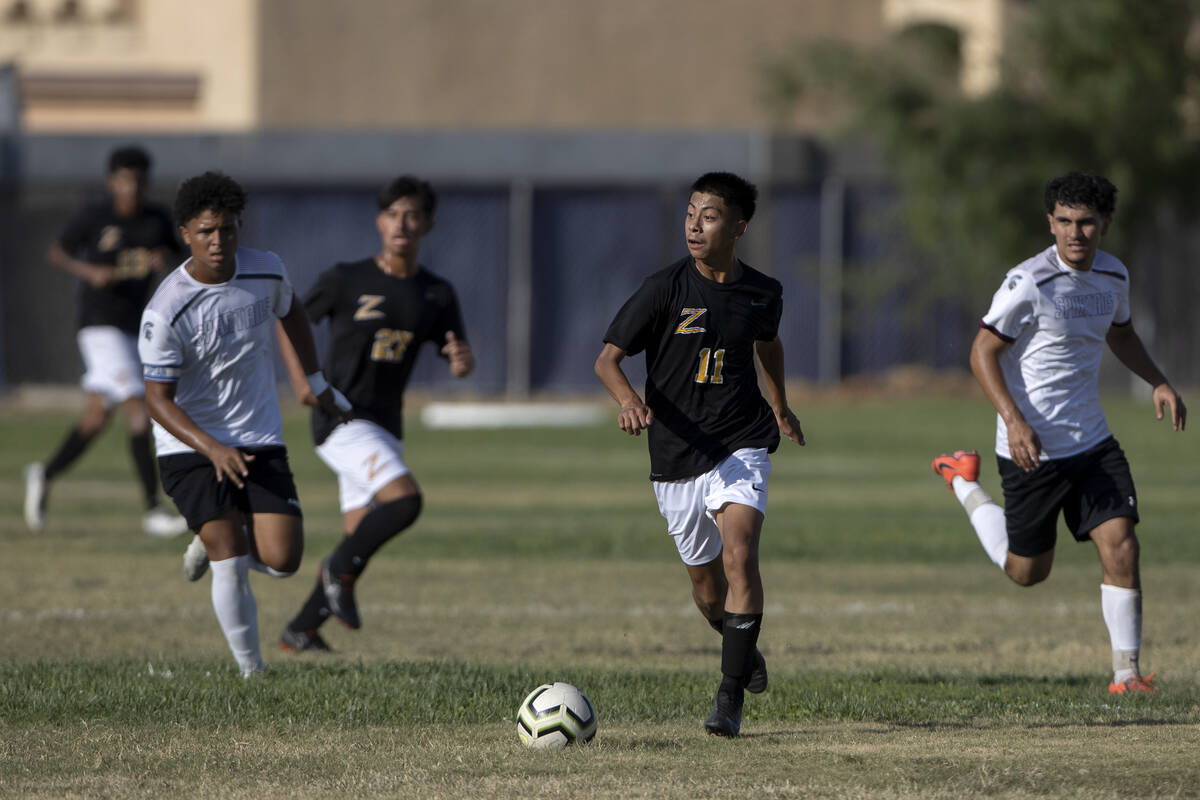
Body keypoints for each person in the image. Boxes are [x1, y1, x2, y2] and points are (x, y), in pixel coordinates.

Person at [933, 172, 1186, 695]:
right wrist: (1014, 420)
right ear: (1050, 222)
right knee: (1027, 573)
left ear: (1105, 224)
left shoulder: (1114, 276)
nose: (1076, 233)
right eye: (1065, 222)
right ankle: (963, 482)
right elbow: (982, 351)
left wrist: (1158, 381)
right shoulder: (1029, 281)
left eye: (1087, 222)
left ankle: (1126, 675)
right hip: (1033, 449)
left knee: (1121, 546)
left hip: (1092, 442)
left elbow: (1122, 334)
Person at [594, 171, 804, 737]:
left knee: (740, 556)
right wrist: (629, 401)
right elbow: (607, 360)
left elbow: (767, 343)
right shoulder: (663, 288)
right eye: (690, 213)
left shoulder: (763, 292)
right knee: (708, 590)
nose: (693, 224)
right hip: (676, 456)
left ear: (738, 227)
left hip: (742, 441)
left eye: (708, 215)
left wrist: (780, 407)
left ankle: (728, 697)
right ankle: (743, 648)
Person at [138, 171, 350, 677]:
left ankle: (210, 544)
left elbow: (292, 311)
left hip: (258, 436)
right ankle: (251, 673)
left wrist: (316, 382)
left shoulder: (266, 272)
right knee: (231, 554)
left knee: (283, 560)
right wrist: (211, 448)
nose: (218, 240)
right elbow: (156, 400)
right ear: (185, 232)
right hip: (188, 444)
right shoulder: (167, 308)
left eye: (228, 229)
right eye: (207, 230)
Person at [277, 175, 473, 654]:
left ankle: (300, 630)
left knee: (357, 537)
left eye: (412, 215)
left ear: (427, 225)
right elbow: (288, 315)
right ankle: (334, 571)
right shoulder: (348, 279)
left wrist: (461, 361)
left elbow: (456, 354)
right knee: (405, 501)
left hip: (386, 426)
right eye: (393, 214)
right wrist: (304, 381)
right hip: (340, 417)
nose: (402, 224)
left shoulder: (436, 294)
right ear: (379, 222)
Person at [23, 145, 188, 538]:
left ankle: (44, 474)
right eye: (126, 179)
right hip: (99, 325)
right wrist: (88, 271)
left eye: (139, 180)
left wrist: (163, 261)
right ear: (113, 181)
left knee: (97, 417)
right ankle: (152, 510)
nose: (132, 187)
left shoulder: (156, 220)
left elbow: (182, 258)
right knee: (139, 407)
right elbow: (57, 252)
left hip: (134, 327)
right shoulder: (95, 217)